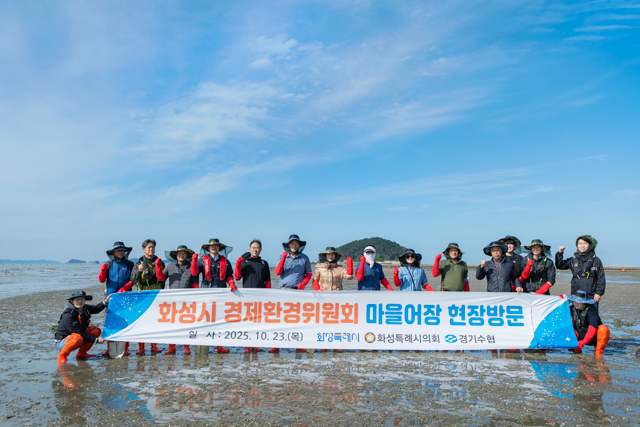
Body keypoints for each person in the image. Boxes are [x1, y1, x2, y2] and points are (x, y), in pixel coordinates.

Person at [157, 245, 200, 355]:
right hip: (173, 301)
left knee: (187, 324)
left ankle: (187, 347)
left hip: (187, 301)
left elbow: (195, 283)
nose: (181, 255)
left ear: (187, 255)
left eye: (184, 254)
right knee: (172, 324)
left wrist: (196, 298)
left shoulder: (192, 267)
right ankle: (171, 347)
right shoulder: (169, 266)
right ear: (176, 255)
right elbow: (161, 278)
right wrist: (158, 267)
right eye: (179, 253)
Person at [273, 234, 312, 353]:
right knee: (281, 317)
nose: (294, 246)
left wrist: (303, 284)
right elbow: (277, 272)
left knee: (298, 318)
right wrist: (284, 257)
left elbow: (309, 274)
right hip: (283, 290)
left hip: (298, 291)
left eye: (296, 244)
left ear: (299, 245)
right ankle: (276, 345)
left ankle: (298, 344)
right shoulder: (282, 256)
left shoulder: (304, 258)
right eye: (292, 244)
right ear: (288, 245)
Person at [234, 239, 272, 353]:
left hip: (261, 297)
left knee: (258, 321)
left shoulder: (264, 263)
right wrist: (238, 264)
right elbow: (237, 277)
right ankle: (247, 345)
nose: (255, 250)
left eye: (257, 248)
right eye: (253, 247)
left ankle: (255, 344)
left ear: (260, 250)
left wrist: (270, 296)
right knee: (247, 321)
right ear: (250, 249)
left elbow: (268, 281)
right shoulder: (245, 262)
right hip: (247, 297)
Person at [98, 242, 135, 356]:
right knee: (110, 324)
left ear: (125, 252)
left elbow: (133, 280)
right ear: (113, 252)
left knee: (126, 323)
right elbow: (102, 280)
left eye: (122, 250)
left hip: (125, 298)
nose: (120, 252)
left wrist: (124, 289)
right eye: (118, 250)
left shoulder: (130, 265)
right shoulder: (109, 265)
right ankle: (109, 348)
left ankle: (126, 348)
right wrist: (103, 270)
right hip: (111, 299)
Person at [130, 239, 165, 355]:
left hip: (156, 295)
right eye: (149, 247)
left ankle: (154, 346)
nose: (151, 249)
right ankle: (141, 347)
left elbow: (164, 279)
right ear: (143, 249)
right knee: (142, 322)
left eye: (153, 247)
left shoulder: (160, 262)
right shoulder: (138, 264)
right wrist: (139, 271)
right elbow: (133, 280)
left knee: (155, 321)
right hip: (142, 296)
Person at [55, 291, 110, 362]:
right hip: (62, 342)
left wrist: (105, 302)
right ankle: (62, 355)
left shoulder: (85, 308)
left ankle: (82, 353)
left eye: (82, 299)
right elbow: (78, 333)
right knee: (77, 337)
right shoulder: (68, 315)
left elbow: (96, 309)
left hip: (78, 337)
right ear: (72, 301)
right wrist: (96, 340)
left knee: (96, 331)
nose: (80, 301)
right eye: (77, 299)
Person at [556, 235, 606, 304]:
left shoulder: (596, 260)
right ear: (577, 246)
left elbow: (601, 278)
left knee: (591, 311)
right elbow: (560, 265)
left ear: (590, 245)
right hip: (576, 294)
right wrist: (560, 253)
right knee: (576, 310)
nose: (582, 246)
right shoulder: (573, 260)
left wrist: (599, 293)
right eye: (580, 243)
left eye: (585, 243)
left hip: (591, 295)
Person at [565, 292, 610, 357]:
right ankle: (576, 350)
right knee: (569, 330)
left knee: (603, 329)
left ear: (584, 302)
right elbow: (561, 311)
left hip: (593, 337)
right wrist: (561, 300)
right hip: (580, 333)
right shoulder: (572, 308)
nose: (576, 303)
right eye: (575, 301)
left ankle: (598, 351)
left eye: (579, 302)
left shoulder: (591, 311)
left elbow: (593, 328)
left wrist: (584, 341)